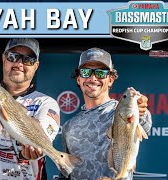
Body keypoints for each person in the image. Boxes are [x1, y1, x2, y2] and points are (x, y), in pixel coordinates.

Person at [0, 38, 60, 180]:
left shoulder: (46, 103)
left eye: (28, 60)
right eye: (13, 56)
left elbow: (43, 139)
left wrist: (32, 152)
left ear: (36, 66)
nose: (19, 64)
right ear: (3, 58)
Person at [59, 48, 152, 180]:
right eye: (86, 72)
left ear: (111, 79)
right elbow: (65, 173)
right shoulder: (69, 126)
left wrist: (140, 110)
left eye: (100, 73)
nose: (93, 78)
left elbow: (144, 123)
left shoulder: (121, 111)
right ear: (79, 79)